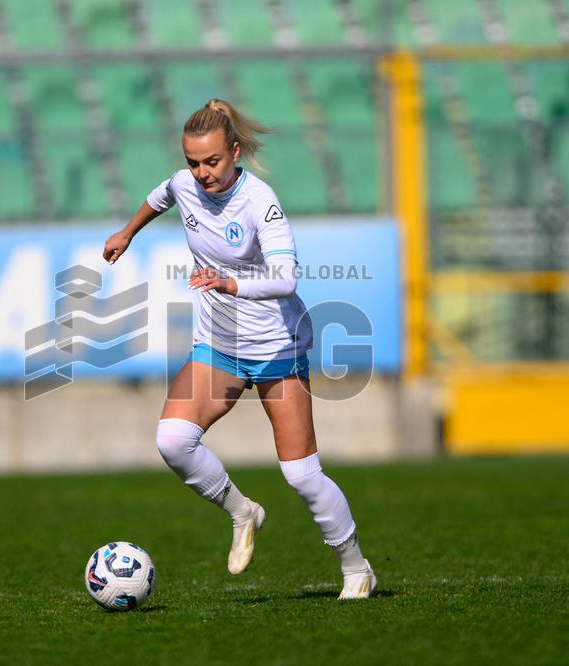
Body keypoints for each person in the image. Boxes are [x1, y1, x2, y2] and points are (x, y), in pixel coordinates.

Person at [102, 99, 377, 599]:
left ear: (234, 152)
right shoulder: (184, 184)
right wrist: (127, 231)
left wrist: (231, 284)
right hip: (219, 345)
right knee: (172, 441)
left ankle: (356, 566)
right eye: (193, 162)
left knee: (300, 474)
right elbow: (160, 195)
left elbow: (286, 276)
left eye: (212, 162)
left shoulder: (260, 202)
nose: (202, 174)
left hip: (276, 346)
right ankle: (242, 512)